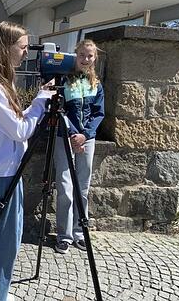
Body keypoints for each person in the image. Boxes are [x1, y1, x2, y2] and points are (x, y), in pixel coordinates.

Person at [0, 21, 54, 301]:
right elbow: (20, 130)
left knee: (5, 240)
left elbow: (15, 122)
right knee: (1, 243)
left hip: (7, 169)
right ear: (6, 48)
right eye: (22, 47)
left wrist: (37, 104)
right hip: (2, 172)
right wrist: (41, 100)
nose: (26, 52)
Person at [52, 39, 105, 254]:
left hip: (87, 140)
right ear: (76, 55)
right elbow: (61, 110)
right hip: (64, 137)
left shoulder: (97, 84)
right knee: (65, 187)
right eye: (82, 55)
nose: (85, 59)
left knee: (82, 187)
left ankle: (79, 232)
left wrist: (85, 135)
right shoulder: (65, 80)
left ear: (94, 58)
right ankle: (64, 235)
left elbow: (99, 113)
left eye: (89, 56)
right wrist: (74, 134)